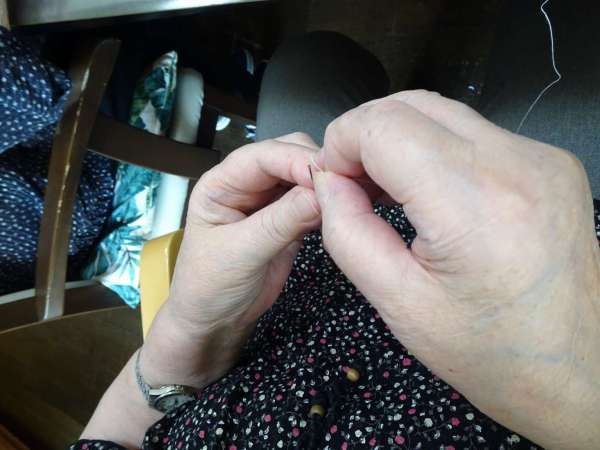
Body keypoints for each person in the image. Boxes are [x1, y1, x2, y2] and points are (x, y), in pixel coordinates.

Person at [72, 10, 600, 450]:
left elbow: (111, 436)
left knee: (306, 63)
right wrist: (571, 380)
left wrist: (189, 337)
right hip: (537, 302)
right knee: (567, 62)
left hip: (286, 288)